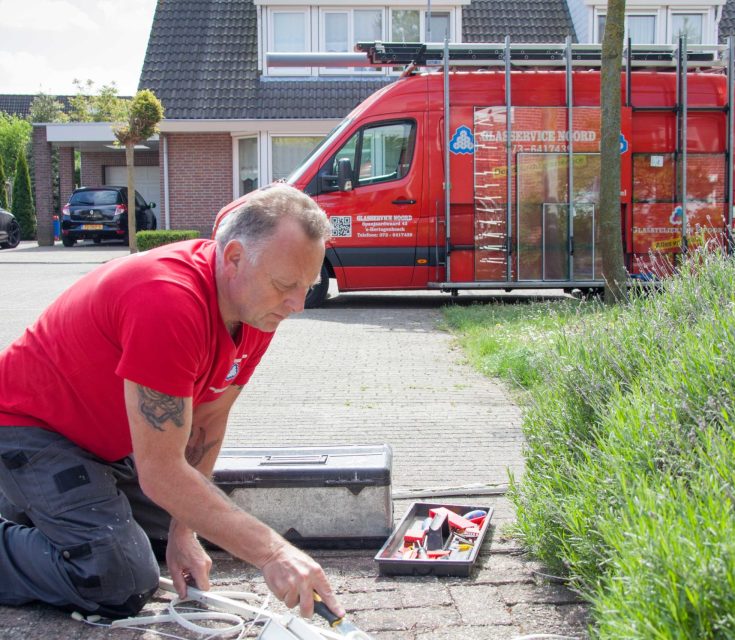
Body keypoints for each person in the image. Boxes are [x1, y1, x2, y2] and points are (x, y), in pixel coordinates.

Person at [0, 184, 344, 621]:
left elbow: (209, 420)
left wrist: (184, 530)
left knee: (199, 520)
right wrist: (273, 552)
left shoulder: (255, 307)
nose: (298, 304)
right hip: (25, 428)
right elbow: (161, 473)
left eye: (307, 286)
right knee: (119, 578)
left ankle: (35, 510)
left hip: (99, 441)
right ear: (235, 257)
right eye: (286, 286)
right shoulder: (167, 301)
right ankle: (22, 506)